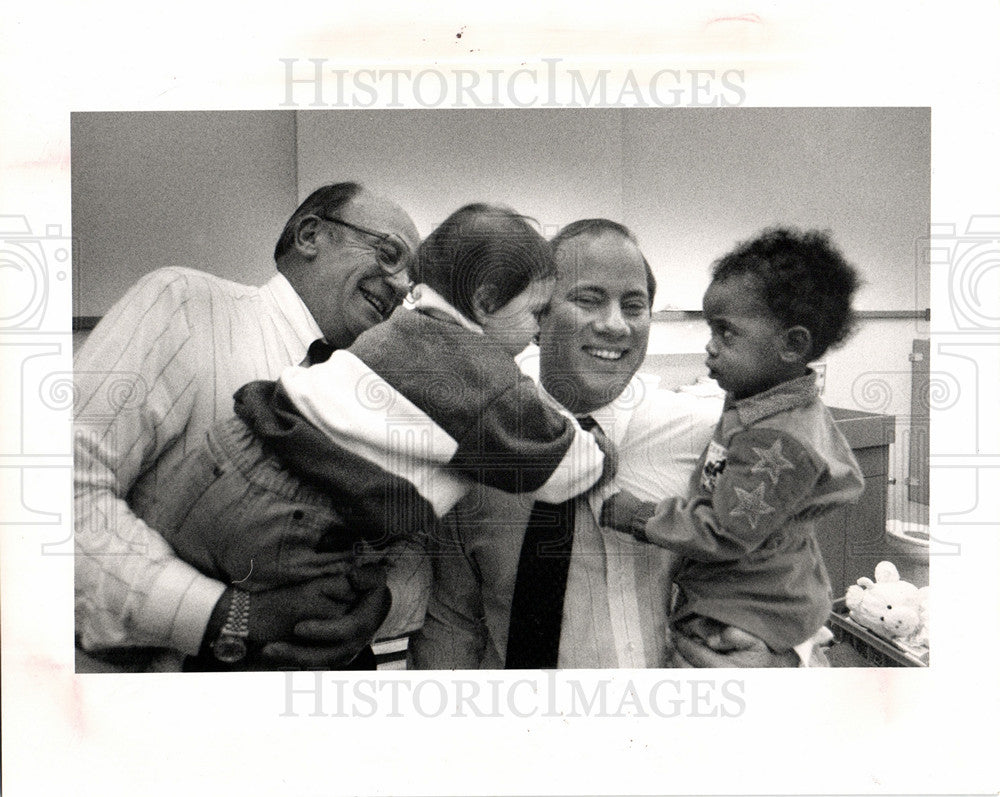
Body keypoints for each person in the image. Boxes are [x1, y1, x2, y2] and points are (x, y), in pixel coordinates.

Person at [135, 204, 612, 667]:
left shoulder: (394, 331)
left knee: (157, 639)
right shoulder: (485, 378)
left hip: (217, 458)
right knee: (308, 633)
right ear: (486, 302)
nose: (537, 330)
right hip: (288, 521)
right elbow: (562, 468)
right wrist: (601, 452)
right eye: (536, 312)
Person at [410, 218, 812, 669]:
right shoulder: (478, 443)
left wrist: (782, 659)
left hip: (672, 723)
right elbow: (453, 620)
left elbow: (791, 570)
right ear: (538, 317)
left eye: (634, 306)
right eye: (588, 299)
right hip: (526, 726)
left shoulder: (713, 438)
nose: (616, 325)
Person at [74, 182, 427, 672]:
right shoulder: (185, 307)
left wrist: (374, 606)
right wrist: (228, 617)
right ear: (309, 235)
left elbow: (398, 540)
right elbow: (54, 497)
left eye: (412, 283)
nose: (399, 286)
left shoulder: (379, 390)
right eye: (390, 254)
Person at [601, 227, 865, 662]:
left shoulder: (778, 442)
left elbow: (725, 530)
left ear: (791, 345)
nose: (710, 346)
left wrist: (640, 516)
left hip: (749, 609)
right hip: (753, 594)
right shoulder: (761, 407)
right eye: (711, 329)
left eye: (726, 333)